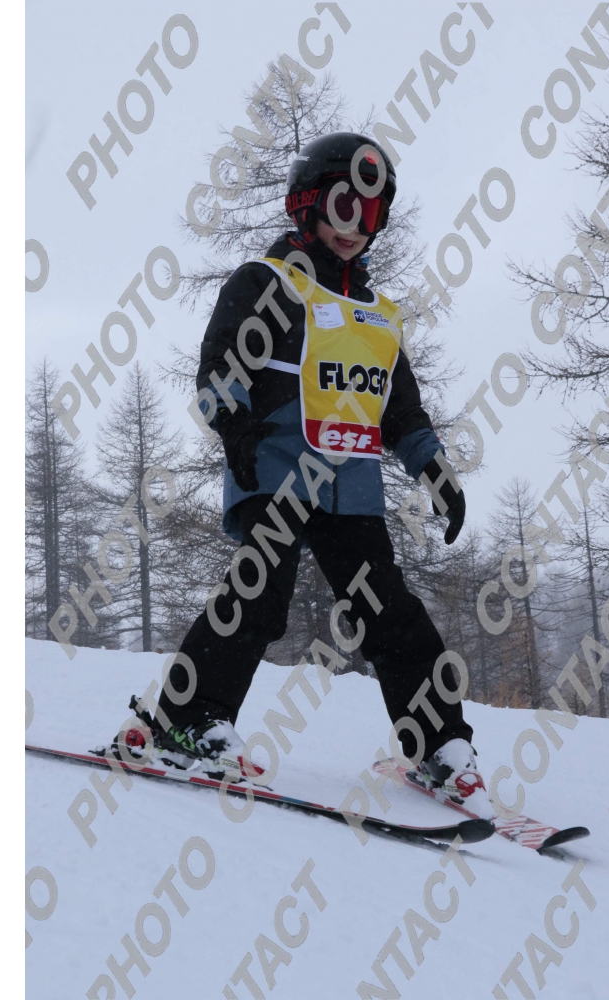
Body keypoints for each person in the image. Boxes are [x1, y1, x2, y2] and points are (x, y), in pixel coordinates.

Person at [114, 132, 490, 815]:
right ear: (308, 205)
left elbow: (400, 409)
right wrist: (235, 426)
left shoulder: (375, 318)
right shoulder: (268, 283)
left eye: (371, 214)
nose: (355, 226)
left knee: (390, 611)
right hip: (277, 471)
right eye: (345, 206)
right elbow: (220, 365)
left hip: (353, 489)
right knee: (260, 591)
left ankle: (440, 744)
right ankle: (187, 718)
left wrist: (434, 469)